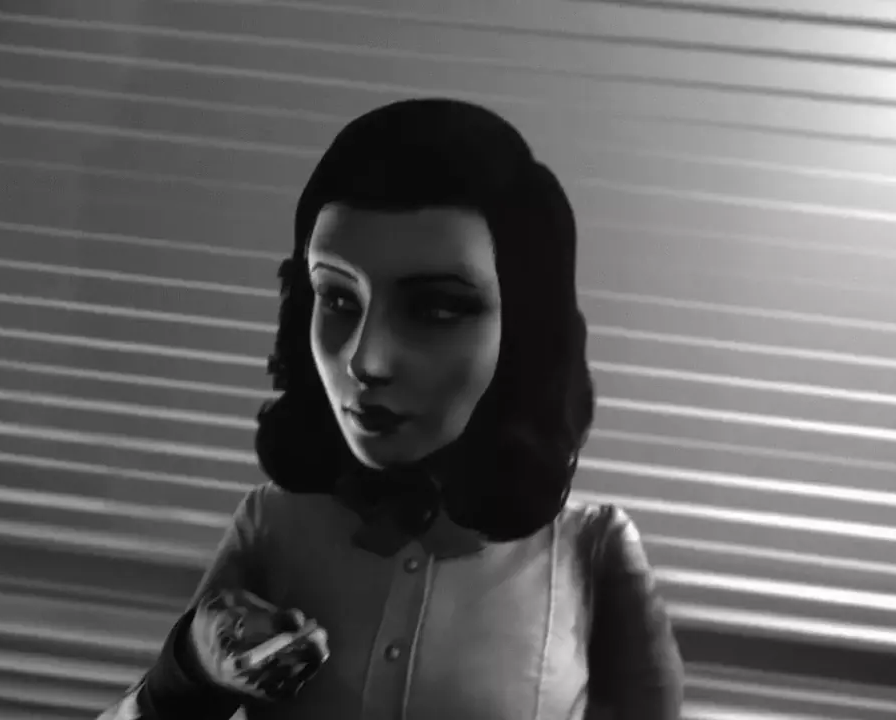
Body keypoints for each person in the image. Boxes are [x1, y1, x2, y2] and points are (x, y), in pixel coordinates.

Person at [97, 97, 684, 720]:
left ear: (522, 327)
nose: (366, 360)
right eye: (336, 298)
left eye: (436, 308)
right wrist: (190, 665)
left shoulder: (593, 551)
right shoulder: (271, 526)